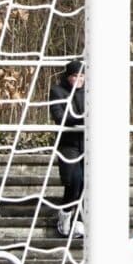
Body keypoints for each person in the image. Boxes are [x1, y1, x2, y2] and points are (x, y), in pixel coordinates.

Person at [48, 59, 86, 237]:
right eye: (74, 76)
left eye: (82, 76)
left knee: (86, 181)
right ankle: (65, 214)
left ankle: (78, 219)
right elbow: (60, 116)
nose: (78, 79)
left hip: (87, 143)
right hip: (68, 144)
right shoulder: (58, 91)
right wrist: (84, 118)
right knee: (74, 179)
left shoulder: (89, 92)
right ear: (68, 76)